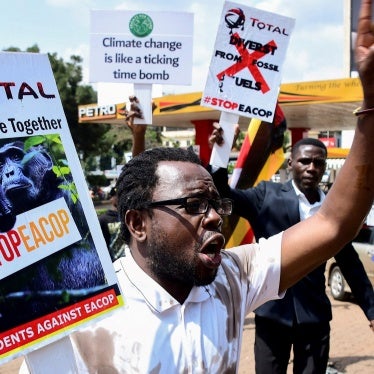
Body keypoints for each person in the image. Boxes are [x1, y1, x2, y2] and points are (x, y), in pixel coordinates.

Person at [21, 1, 374, 372]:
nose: (213, 219)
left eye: (215, 204)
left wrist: (370, 106)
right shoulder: (84, 317)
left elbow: (334, 224)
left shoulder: (232, 279)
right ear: (138, 223)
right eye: (192, 205)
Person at [209, 134, 374, 373]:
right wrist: (220, 154)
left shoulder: (333, 212)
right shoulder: (266, 195)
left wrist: (371, 310)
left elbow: (350, 263)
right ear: (290, 163)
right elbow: (223, 194)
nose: (311, 168)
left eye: (318, 163)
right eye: (305, 161)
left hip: (314, 317)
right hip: (272, 314)